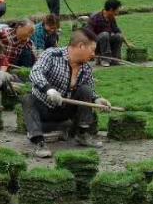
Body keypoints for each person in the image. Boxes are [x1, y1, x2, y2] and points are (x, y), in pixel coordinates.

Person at [22, 29, 111, 158]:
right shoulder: (52, 55)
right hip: (44, 109)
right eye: (92, 49)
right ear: (81, 46)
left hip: (65, 110)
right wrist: (49, 89)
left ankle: (82, 134)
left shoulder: (85, 68)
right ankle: (39, 142)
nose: (93, 54)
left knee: (85, 90)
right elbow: (35, 72)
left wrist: (97, 99)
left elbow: (90, 89)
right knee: (27, 99)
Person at [84, 0, 129, 66]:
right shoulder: (95, 17)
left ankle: (115, 59)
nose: (117, 13)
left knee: (118, 36)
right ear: (111, 10)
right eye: (116, 10)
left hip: (107, 43)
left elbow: (118, 31)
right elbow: (88, 34)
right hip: (96, 45)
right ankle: (105, 60)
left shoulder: (111, 18)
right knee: (104, 34)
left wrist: (128, 43)